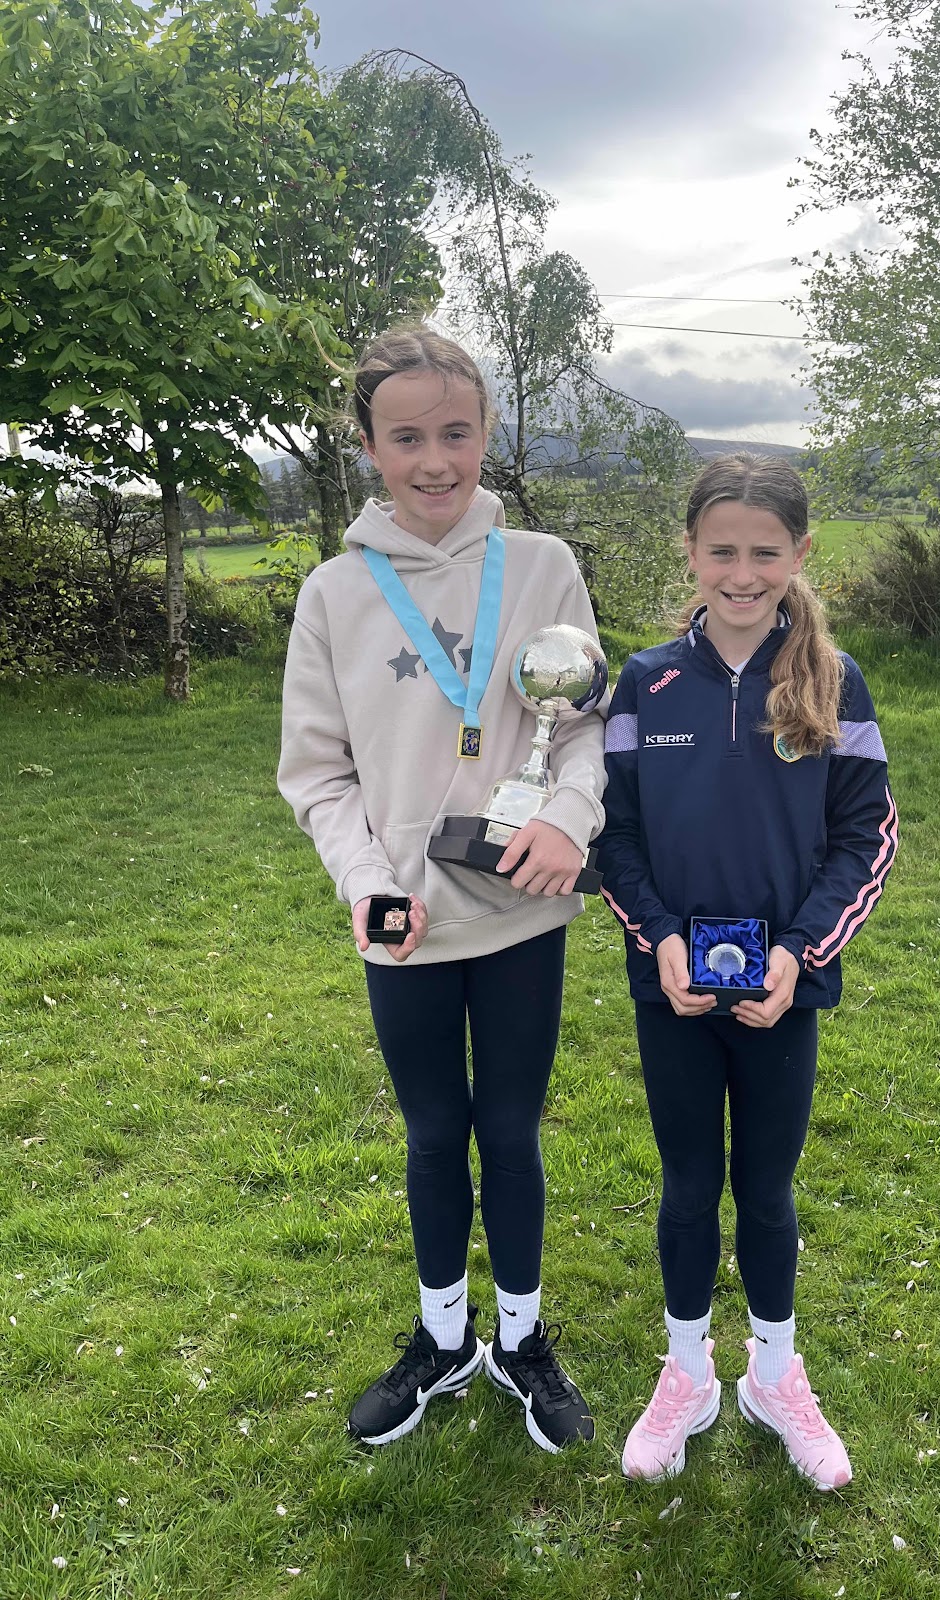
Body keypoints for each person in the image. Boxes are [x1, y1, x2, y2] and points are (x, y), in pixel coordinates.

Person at [278, 326, 605, 1454]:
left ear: (486, 434)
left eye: (456, 433)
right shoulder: (333, 592)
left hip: (519, 909)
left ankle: (518, 1338)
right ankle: (442, 1336)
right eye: (407, 438)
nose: (434, 460)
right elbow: (316, 772)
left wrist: (568, 817)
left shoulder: (545, 565)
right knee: (432, 1135)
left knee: (509, 1131)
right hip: (404, 924)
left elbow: (583, 726)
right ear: (369, 447)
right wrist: (367, 883)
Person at [597, 454, 897, 1487]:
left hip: (781, 991)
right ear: (690, 551)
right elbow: (614, 835)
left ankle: (774, 1374)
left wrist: (799, 952)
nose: (742, 573)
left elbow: (865, 837)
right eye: (721, 550)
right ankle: (687, 1372)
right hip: (673, 988)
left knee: (765, 1190)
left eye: (765, 553)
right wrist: (660, 939)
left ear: (799, 553)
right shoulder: (645, 680)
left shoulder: (834, 680)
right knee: (688, 1186)